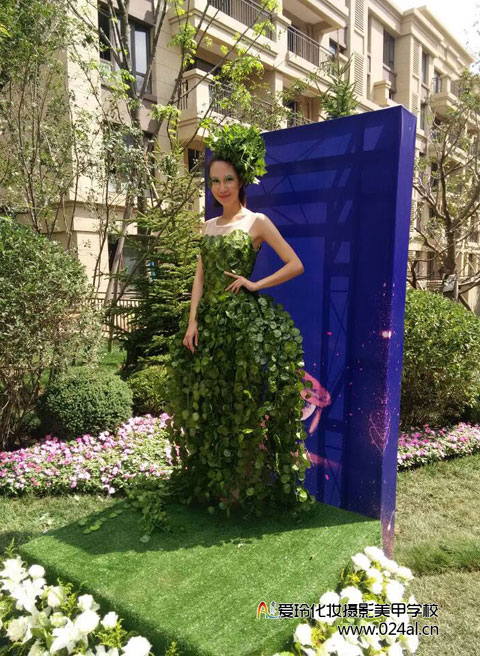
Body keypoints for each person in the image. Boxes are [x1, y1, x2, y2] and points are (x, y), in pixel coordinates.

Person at [165, 124, 314, 517]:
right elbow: (199, 278)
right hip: (208, 327)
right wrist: (192, 322)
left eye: (228, 179)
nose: (221, 188)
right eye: (215, 181)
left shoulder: (256, 222)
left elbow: (295, 263)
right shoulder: (207, 226)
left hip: (242, 327)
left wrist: (255, 284)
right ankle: (216, 482)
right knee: (212, 403)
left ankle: (240, 488)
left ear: (241, 180)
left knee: (240, 403)